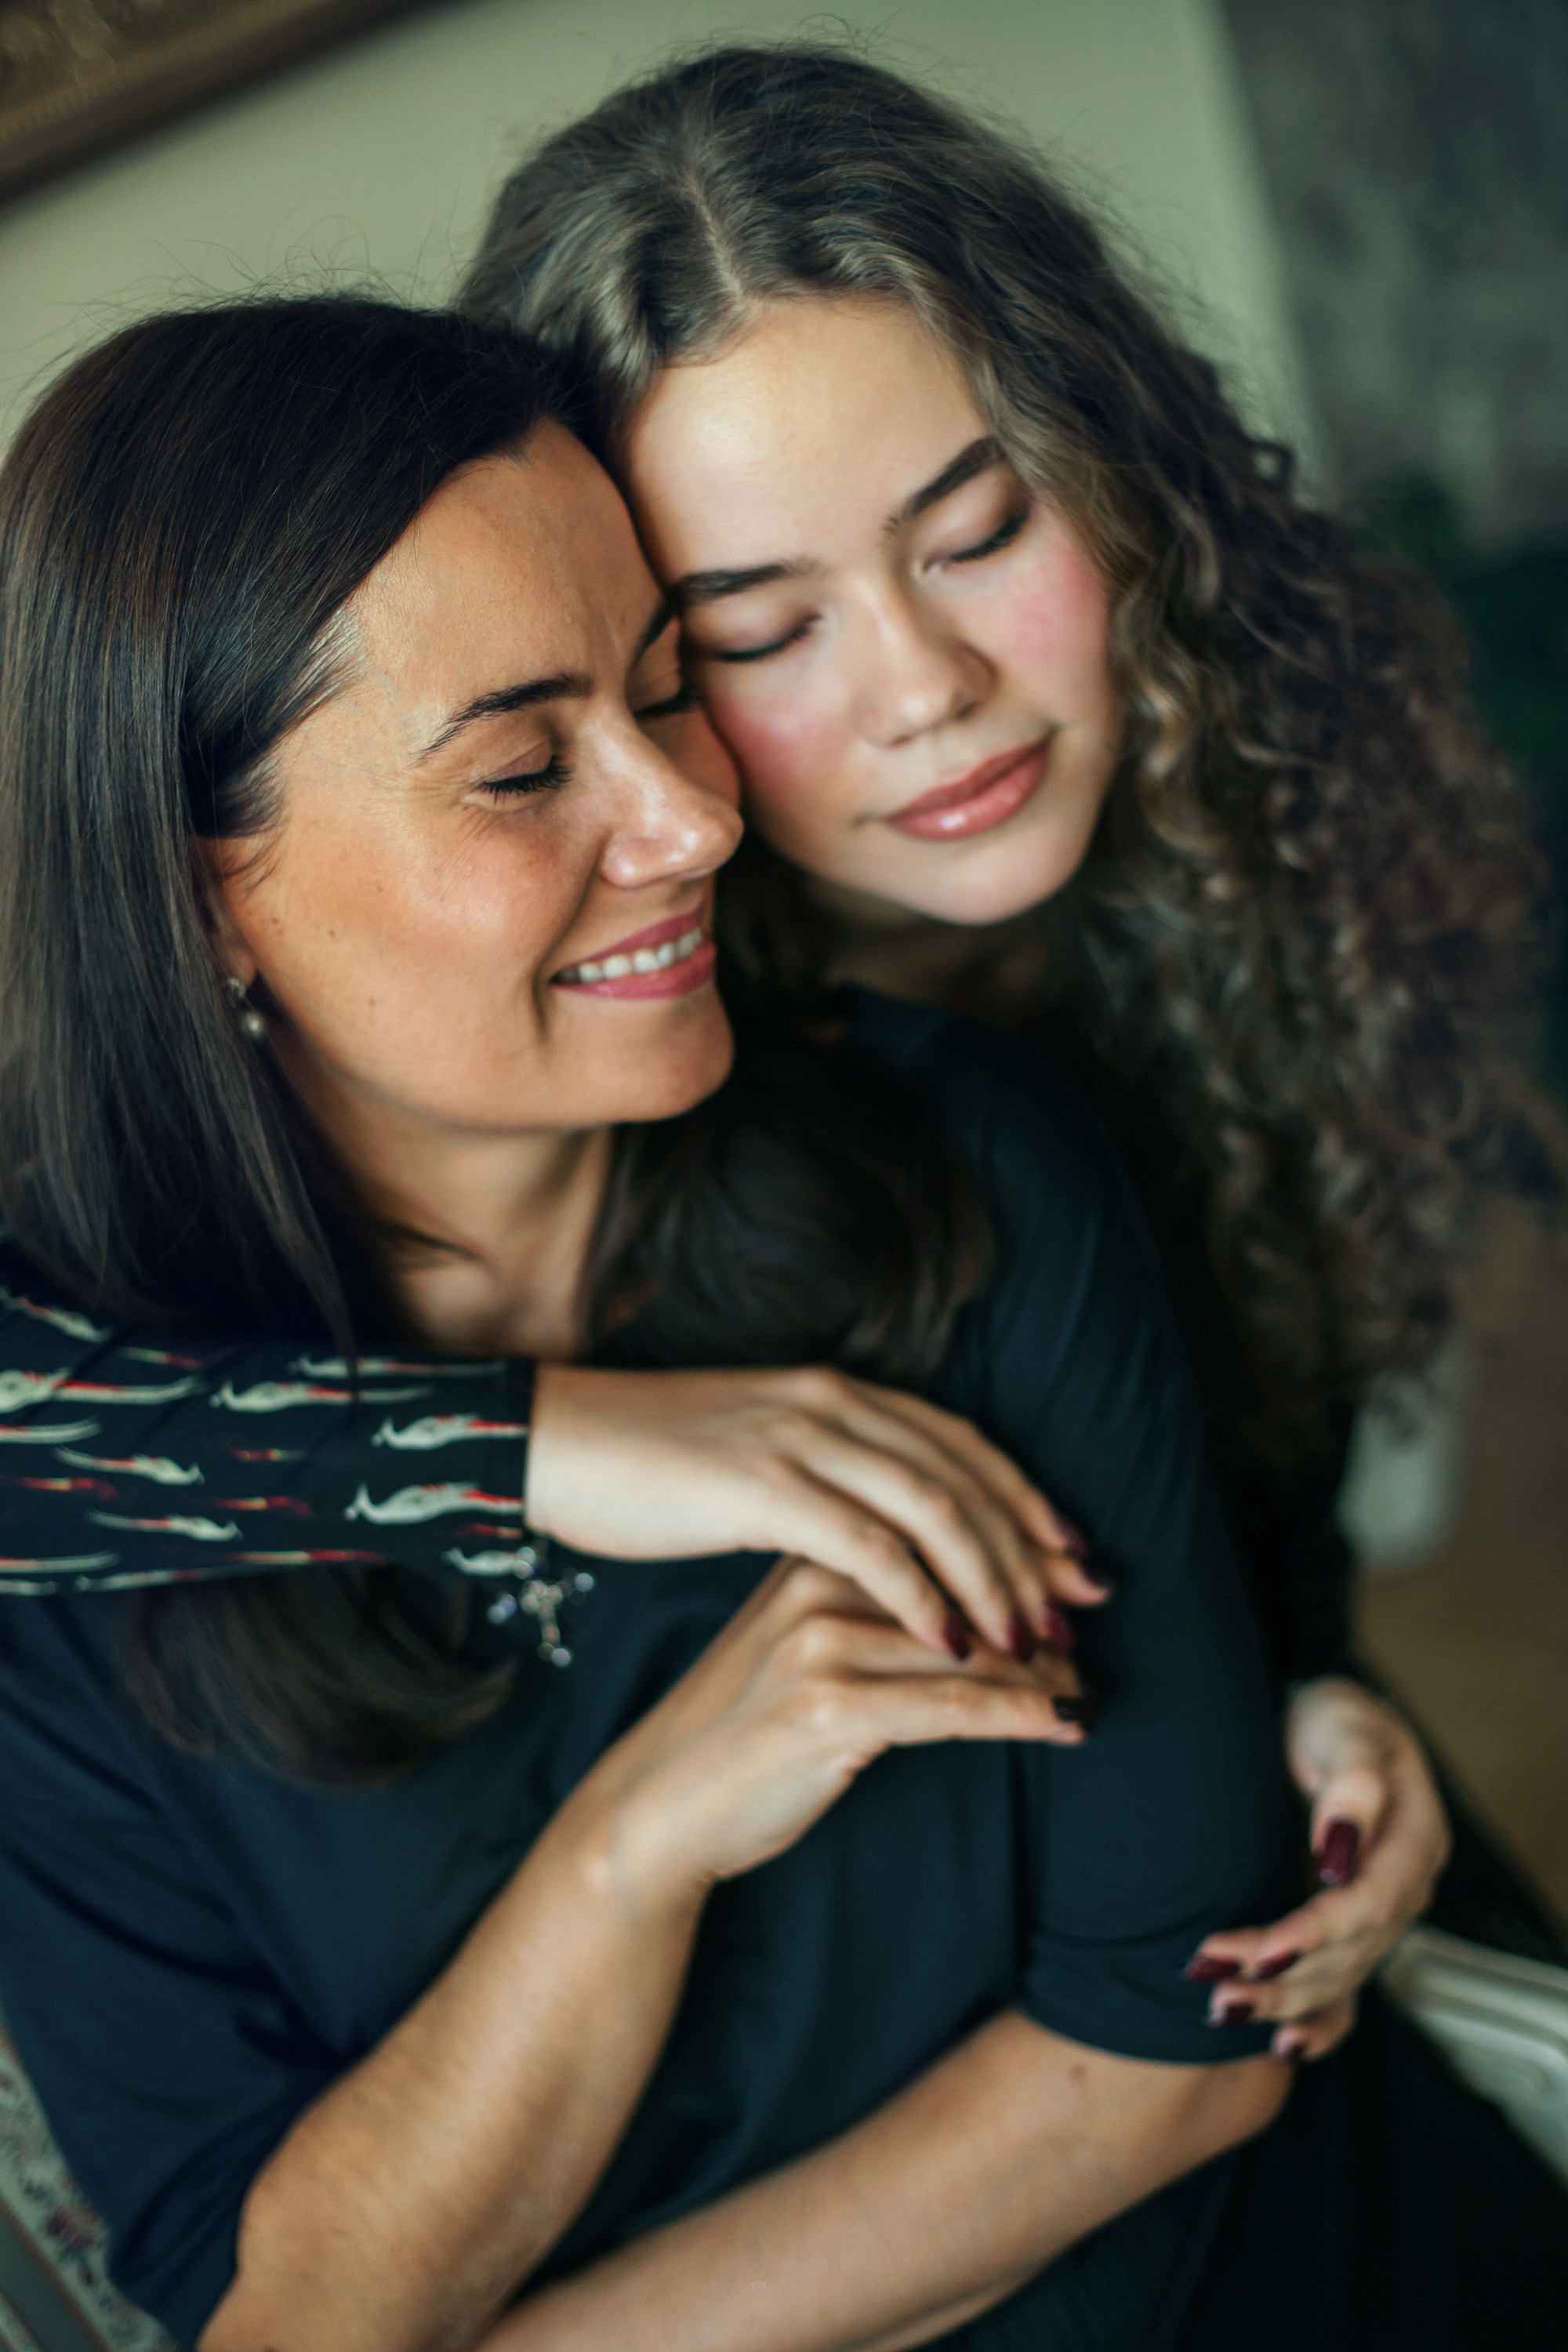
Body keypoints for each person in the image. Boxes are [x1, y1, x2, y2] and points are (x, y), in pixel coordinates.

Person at [0, 294, 1308, 2352]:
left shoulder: (958, 1175)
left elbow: (1184, 2034)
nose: (688, 817)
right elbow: (270, 2305)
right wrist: (629, 1855)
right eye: (525, 767)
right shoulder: (69, 1504)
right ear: (202, 898)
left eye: (670, 686)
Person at [454, 39, 1568, 2038]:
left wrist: (1314, 1690)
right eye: (760, 633)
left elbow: (1254, 1502)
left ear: (1117, 464)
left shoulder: (1279, 837)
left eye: (974, 530)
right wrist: (516, 1438)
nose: (926, 689)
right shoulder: (575, 1072)